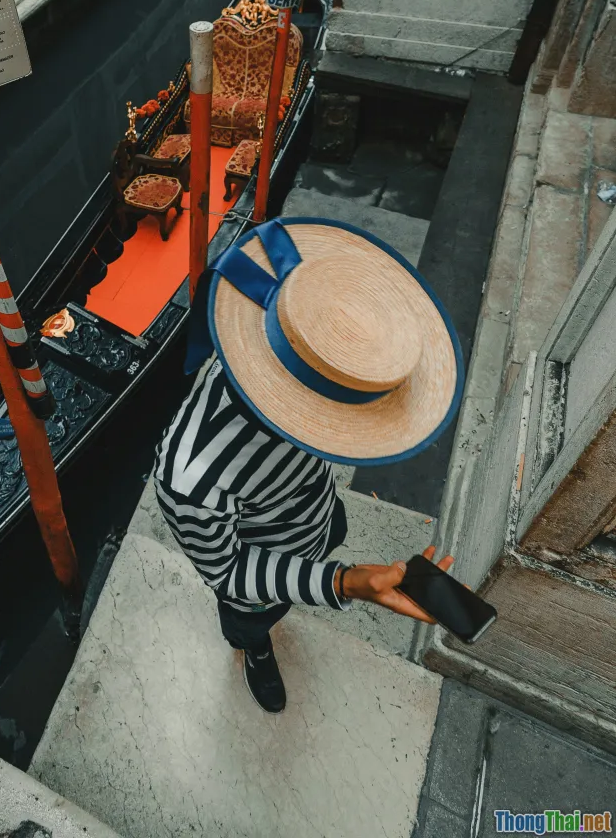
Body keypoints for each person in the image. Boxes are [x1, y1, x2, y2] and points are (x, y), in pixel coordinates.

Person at [154, 216, 464, 713]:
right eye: (335, 418)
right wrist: (345, 582)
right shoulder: (191, 482)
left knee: (329, 528)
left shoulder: (300, 346)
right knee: (251, 620)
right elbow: (230, 571)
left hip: (316, 514)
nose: (349, 434)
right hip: (257, 572)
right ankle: (255, 650)